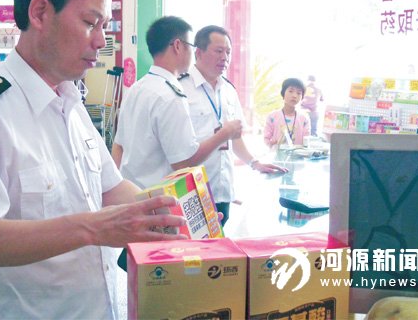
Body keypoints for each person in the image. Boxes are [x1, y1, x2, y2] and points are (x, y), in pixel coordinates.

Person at [0, 0, 188, 320]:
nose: (101, 40)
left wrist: (170, 214)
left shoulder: (70, 100)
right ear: (39, 13)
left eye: (105, 26)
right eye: (90, 23)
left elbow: (111, 188)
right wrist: (94, 228)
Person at [111, 16, 242, 190]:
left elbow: (118, 146)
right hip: (158, 199)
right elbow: (184, 163)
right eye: (191, 47)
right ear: (178, 46)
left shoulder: (136, 88)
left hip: (132, 194)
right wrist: (223, 134)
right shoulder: (171, 95)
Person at [179, 25, 286, 225]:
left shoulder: (228, 90)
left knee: (220, 241)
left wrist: (255, 163)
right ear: (198, 52)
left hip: (222, 189)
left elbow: (234, 138)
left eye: (228, 52)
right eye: (219, 51)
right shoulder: (180, 88)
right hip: (190, 192)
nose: (225, 57)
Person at [264, 78, 311, 148]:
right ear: (283, 93)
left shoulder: (304, 118)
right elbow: (266, 139)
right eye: (290, 91)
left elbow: (306, 141)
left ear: (302, 97)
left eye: (299, 93)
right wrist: (271, 144)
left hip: (298, 154)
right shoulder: (272, 117)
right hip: (277, 153)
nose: (294, 96)